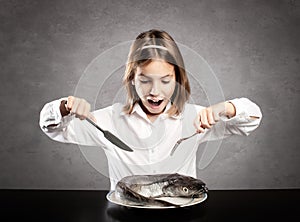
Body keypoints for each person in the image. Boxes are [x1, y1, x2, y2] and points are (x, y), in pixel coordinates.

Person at [40, 29, 262, 189]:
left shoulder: (195, 119)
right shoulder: (108, 120)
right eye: (145, 80)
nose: (155, 91)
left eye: (165, 80)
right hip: (125, 215)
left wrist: (227, 108)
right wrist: (65, 107)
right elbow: (53, 128)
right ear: (132, 79)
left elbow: (252, 119)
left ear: (177, 80)